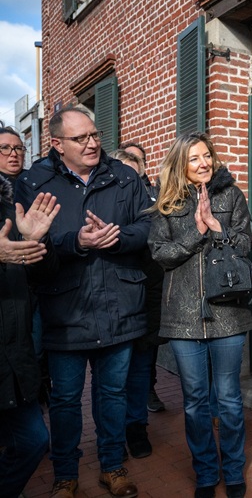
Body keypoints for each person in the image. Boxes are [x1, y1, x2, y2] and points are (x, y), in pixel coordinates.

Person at [15, 107, 152, 498]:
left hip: (119, 306)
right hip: (66, 310)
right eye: (81, 138)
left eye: (95, 134)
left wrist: (117, 237)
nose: (92, 143)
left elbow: (148, 225)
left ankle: (112, 466)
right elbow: (31, 246)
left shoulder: (124, 176)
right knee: (64, 400)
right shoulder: (35, 182)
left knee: (113, 395)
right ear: (57, 144)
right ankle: (65, 475)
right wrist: (75, 242)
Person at [147, 132, 252, 498]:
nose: (203, 163)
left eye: (207, 155)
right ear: (181, 163)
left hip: (228, 312)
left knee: (229, 400)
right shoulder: (167, 202)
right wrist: (197, 231)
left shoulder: (231, 195)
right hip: (183, 315)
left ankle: (234, 471)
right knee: (194, 402)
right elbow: (160, 254)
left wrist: (219, 228)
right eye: (194, 158)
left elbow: (246, 244)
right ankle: (206, 472)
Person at [0, 176, 60, 498]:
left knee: (33, 442)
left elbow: (43, 276)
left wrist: (36, 242)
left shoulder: (9, 209)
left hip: (14, 360)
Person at [120, 141, 167, 413]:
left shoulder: (155, 196)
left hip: (151, 281)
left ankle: (148, 390)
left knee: (148, 346)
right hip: (123, 283)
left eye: (137, 161)